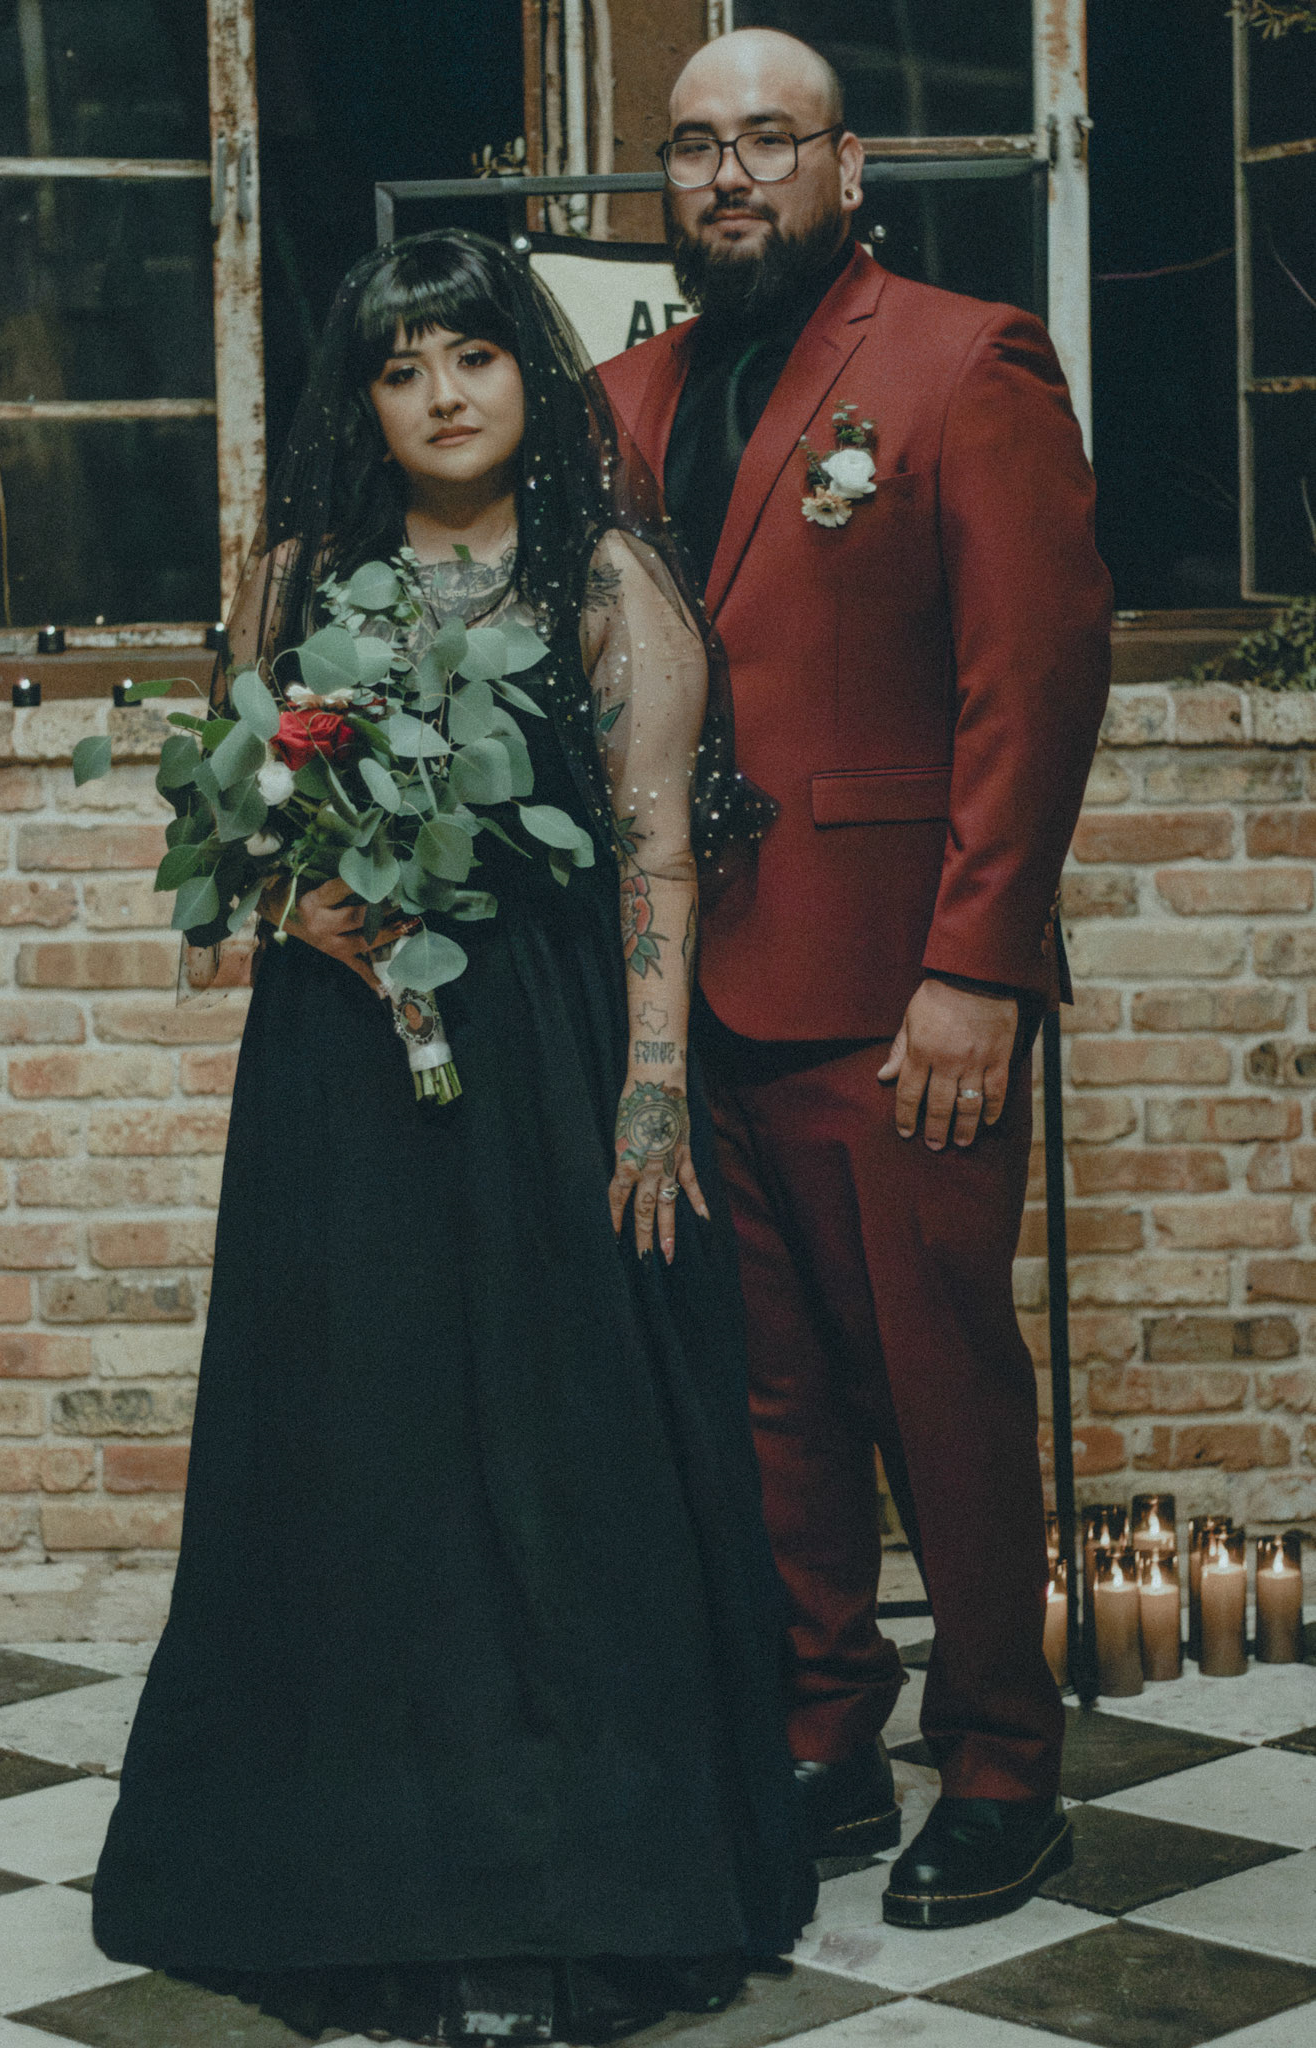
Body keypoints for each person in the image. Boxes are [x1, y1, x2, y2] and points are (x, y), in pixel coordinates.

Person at [91, 230, 812, 2043]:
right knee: (363, 1430)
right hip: (341, 1059)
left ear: (524, 372)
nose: (441, 396)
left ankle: (569, 1872)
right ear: (365, 401)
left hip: (548, 1048)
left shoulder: (606, 576)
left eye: (470, 357)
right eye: (401, 367)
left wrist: (653, 1086)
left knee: (555, 1442)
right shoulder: (297, 580)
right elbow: (241, 827)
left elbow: (655, 851)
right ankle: (358, 1868)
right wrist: (299, 908)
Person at [601, 28, 1112, 1931]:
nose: (728, 175)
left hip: (899, 992)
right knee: (768, 1394)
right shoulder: (621, 392)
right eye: (694, 146)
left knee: (936, 1383)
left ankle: (1000, 1766)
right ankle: (825, 1729)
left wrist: (975, 967)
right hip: (687, 994)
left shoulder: (964, 362)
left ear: (847, 164)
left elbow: (1032, 684)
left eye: (769, 139)